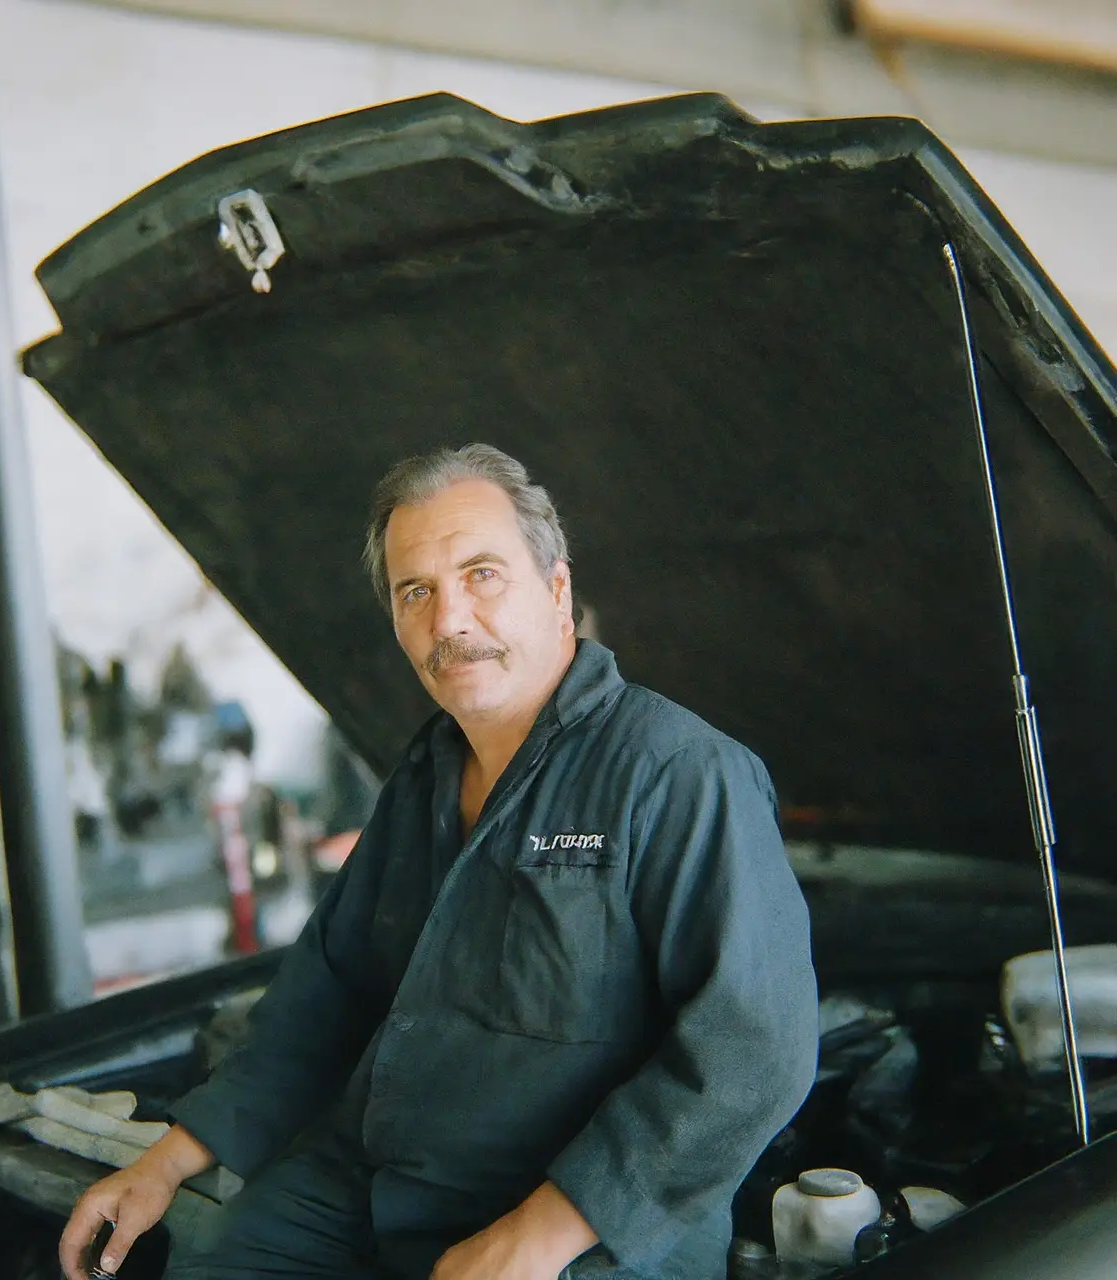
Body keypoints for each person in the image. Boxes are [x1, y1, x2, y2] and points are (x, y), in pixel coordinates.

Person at [59, 444, 819, 1280]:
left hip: (583, 1219)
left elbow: (751, 1054)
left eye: (483, 574)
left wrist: (534, 1238)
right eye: (415, 591)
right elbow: (330, 987)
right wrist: (163, 1162)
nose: (449, 620)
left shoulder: (677, 773)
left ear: (557, 592)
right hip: (373, 1180)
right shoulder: (425, 774)